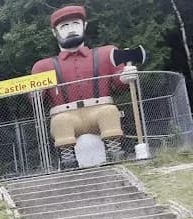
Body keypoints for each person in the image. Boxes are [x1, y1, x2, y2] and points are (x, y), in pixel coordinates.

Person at [31, 5, 139, 169]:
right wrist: (36, 93)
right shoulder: (42, 66)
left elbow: (118, 80)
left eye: (75, 23)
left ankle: (115, 153)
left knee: (109, 112)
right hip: (65, 114)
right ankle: (68, 161)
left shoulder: (107, 53)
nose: (71, 29)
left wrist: (125, 76)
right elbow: (35, 100)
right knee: (60, 122)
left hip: (99, 108)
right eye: (64, 26)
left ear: (84, 25)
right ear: (55, 32)